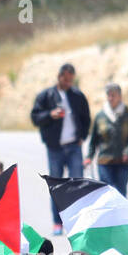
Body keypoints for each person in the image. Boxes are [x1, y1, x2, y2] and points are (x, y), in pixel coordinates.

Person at [31, 62, 92, 233]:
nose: (68, 83)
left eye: (71, 80)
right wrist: (50, 114)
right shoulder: (46, 96)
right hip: (55, 148)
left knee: (78, 186)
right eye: (66, 79)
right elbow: (35, 117)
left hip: (74, 146)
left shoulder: (78, 96)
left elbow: (86, 118)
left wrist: (83, 137)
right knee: (56, 186)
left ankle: (76, 221)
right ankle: (57, 223)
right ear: (59, 77)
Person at [86, 82, 128, 196]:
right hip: (104, 161)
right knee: (106, 194)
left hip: (123, 162)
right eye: (109, 95)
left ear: (120, 96)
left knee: (120, 195)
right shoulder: (100, 116)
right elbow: (94, 140)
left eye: (113, 95)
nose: (111, 98)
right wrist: (89, 157)